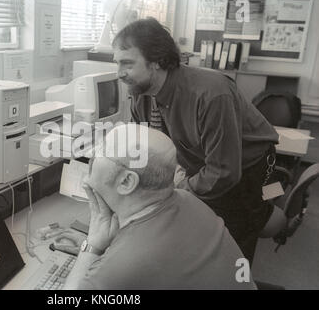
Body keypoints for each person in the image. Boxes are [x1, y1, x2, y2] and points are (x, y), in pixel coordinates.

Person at [112, 18, 279, 264]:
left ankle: (261, 227)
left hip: (247, 165)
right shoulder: (141, 94)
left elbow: (223, 171)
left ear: (157, 61)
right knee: (191, 222)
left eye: (127, 63)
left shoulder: (211, 94)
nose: (119, 74)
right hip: (202, 160)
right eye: (117, 64)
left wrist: (174, 191)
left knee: (232, 239)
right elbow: (146, 149)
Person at [63, 124, 256, 290]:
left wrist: (93, 245)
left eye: (101, 151)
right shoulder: (188, 200)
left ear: (126, 181)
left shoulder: (127, 262)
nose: (92, 155)